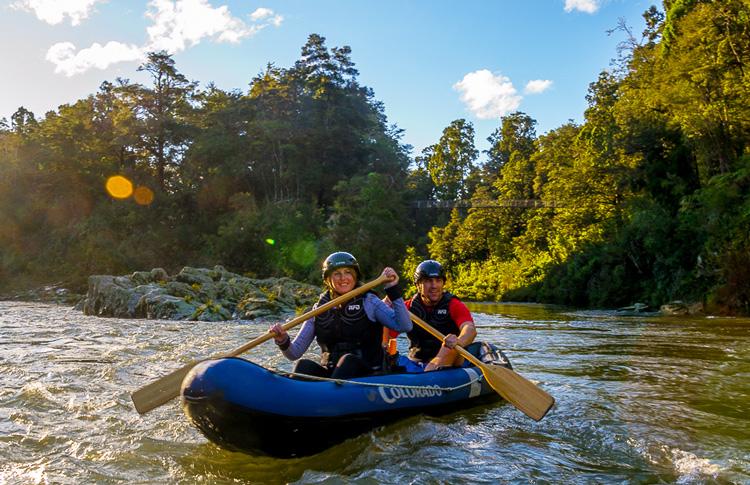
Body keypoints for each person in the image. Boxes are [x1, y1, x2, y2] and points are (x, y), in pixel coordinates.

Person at [269, 251, 412, 379]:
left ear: (355, 276)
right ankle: (300, 400)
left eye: (348, 272)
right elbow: (294, 354)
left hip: (368, 375)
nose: (343, 278)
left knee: (348, 360)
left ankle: (329, 398)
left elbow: (404, 325)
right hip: (332, 374)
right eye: (336, 273)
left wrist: (392, 290)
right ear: (327, 280)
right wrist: (283, 340)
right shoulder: (318, 309)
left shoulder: (370, 301)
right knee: (303, 366)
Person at [405, 259, 477, 371]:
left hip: (450, 359)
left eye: (438, 280)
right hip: (416, 361)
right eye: (428, 281)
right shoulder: (407, 308)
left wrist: (459, 341)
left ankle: (429, 372)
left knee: (448, 347)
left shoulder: (454, 305)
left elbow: (470, 329)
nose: (434, 286)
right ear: (418, 284)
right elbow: (388, 334)